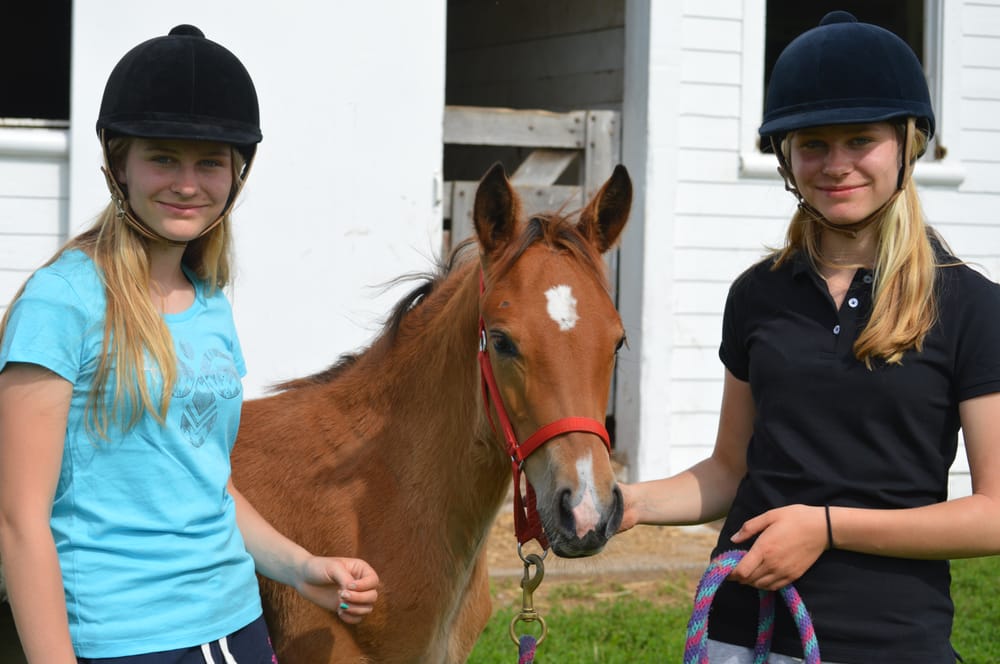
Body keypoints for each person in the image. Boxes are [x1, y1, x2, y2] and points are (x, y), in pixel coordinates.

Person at [618, 11, 1000, 664]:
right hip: (743, 633)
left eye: (861, 140)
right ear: (786, 157)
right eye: (814, 144)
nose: (837, 165)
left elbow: (993, 512)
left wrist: (824, 527)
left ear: (908, 144)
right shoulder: (756, 294)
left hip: (888, 642)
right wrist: (629, 503)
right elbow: (728, 470)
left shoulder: (970, 305)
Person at [0, 25, 379, 662]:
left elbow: (206, 483)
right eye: (163, 157)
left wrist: (300, 566)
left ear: (237, 172)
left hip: (236, 626)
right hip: (121, 640)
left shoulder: (209, 303)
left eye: (210, 162)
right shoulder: (61, 304)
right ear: (118, 163)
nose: (187, 183)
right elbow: (18, 522)